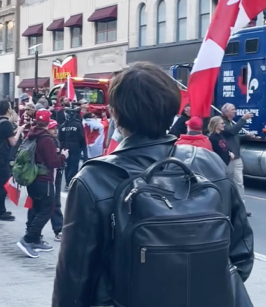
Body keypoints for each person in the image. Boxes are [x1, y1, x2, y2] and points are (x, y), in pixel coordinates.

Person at [53, 62, 253, 306]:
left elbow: (74, 282)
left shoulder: (93, 179)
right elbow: (241, 253)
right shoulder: (209, 163)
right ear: (173, 110)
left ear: (114, 113)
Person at [16, 110, 66, 258]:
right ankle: (28, 239)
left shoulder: (31, 135)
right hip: (44, 180)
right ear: (48, 122)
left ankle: (36, 240)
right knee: (47, 210)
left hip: (32, 179)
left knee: (37, 208)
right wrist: (63, 156)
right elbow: (52, 162)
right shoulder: (46, 140)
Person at [0, 100, 25, 221]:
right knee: (2, 185)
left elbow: (5, 137)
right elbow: (13, 142)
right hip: (2, 157)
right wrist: (19, 131)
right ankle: (0, 211)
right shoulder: (6, 123)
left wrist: (15, 132)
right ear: (8, 109)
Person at [221, 103, 255, 216]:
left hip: (237, 158)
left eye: (235, 109)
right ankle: (227, 208)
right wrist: (243, 119)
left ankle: (241, 209)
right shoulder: (222, 124)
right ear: (225, 112)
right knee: (228, 183)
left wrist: (246, 137)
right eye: (232, 110)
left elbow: (234, 137)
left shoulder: (231, 123)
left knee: (239, 184)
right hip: (229, 159)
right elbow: (231, 132)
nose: (235, 111)